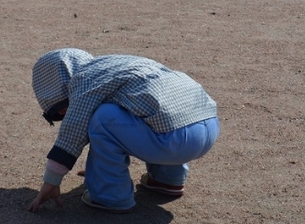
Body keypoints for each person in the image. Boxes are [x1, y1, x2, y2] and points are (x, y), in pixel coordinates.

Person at [28, 49, 220, 213]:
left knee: (103, 119)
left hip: (173, 141)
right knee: (152, 112)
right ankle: (167, 179)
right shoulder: (114, 66)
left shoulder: (83, 80)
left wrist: (52, 180)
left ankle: (110, 195)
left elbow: (73, 131)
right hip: (208, 124)